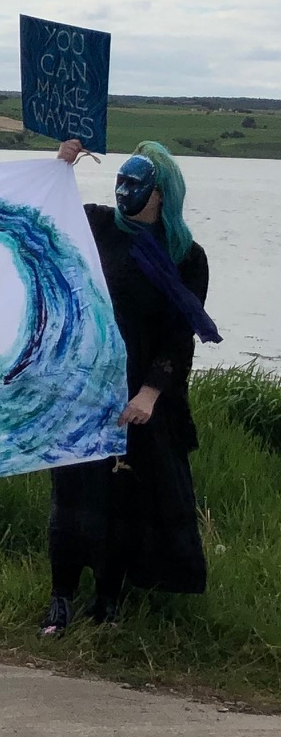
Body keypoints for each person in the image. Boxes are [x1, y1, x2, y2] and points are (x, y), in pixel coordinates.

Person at [43, 138, 218, 635]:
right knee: (71, 496)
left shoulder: (186, 256)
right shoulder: (98, 226)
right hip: (83, 387)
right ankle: (59, 601)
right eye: (119, 181)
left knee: (123, 500)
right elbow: (46, 215)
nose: (122, 191)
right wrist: (61, 164)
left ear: (160, 194)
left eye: (134, 185)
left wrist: (149, 394)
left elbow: (177, 335)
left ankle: (107, 602)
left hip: (139, 394)